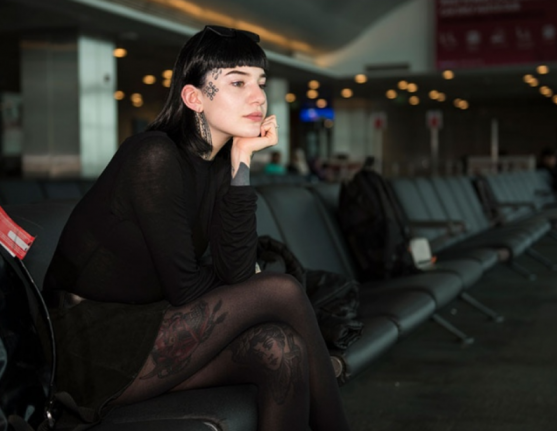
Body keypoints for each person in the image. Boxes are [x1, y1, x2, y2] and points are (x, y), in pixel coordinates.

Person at [43, 25, 351, 431]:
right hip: (87, 344)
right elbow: (188, 288)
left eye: (260, 82)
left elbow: (235, 272)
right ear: (193, 98)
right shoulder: (153, 156)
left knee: (283, 349)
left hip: (152, 326)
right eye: (238, 82)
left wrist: (242, 160)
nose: (258, 96)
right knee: (281, 289)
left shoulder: (219, 167)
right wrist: (252, 285)